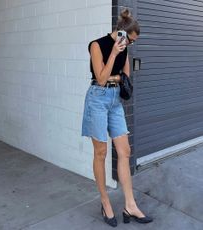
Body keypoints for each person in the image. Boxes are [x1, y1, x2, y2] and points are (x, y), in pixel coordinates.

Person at [81, 8, 153, 227]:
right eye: (130, 40)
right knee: (101, 152)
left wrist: (116, 70)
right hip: (98, 99)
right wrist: (113, 54)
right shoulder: (97, 45)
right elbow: (101, 79)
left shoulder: (125, 50)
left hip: (115, 102)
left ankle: (130, 205)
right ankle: (105, 202)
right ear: (121, 33)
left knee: (125, 151)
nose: (130, 45)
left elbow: (126, 77)